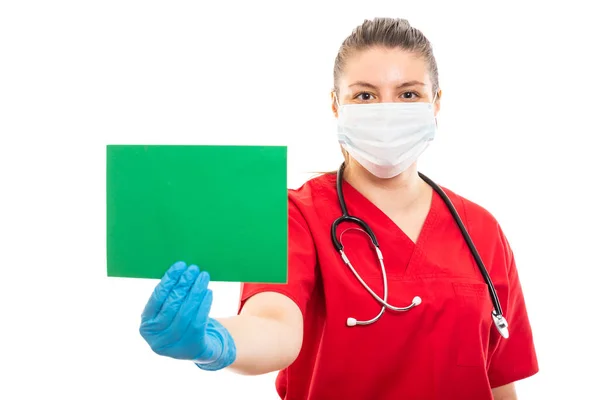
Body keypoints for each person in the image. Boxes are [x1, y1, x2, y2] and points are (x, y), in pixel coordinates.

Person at [138, 17, 539, 399]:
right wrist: (215, 340)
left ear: (435, 103)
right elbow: (275, 326)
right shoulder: (297, 214)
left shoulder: (481, 230)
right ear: (336, 104)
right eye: (365, 95)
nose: (387, 111)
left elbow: (500, 381)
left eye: (408, 94)